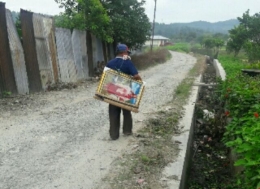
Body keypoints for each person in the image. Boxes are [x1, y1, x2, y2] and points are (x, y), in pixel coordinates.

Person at [106, 44, 142, 140]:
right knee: (126, 112)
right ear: (124, 53)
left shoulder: (109, 63)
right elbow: (136, 75)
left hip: (112, 91)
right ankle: (127, 131)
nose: (127, 54)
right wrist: (140, 82)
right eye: (127, 52)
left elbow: (106, 78)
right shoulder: (128, 62)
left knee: (113, 112)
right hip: (125, 92)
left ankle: (114, 135)